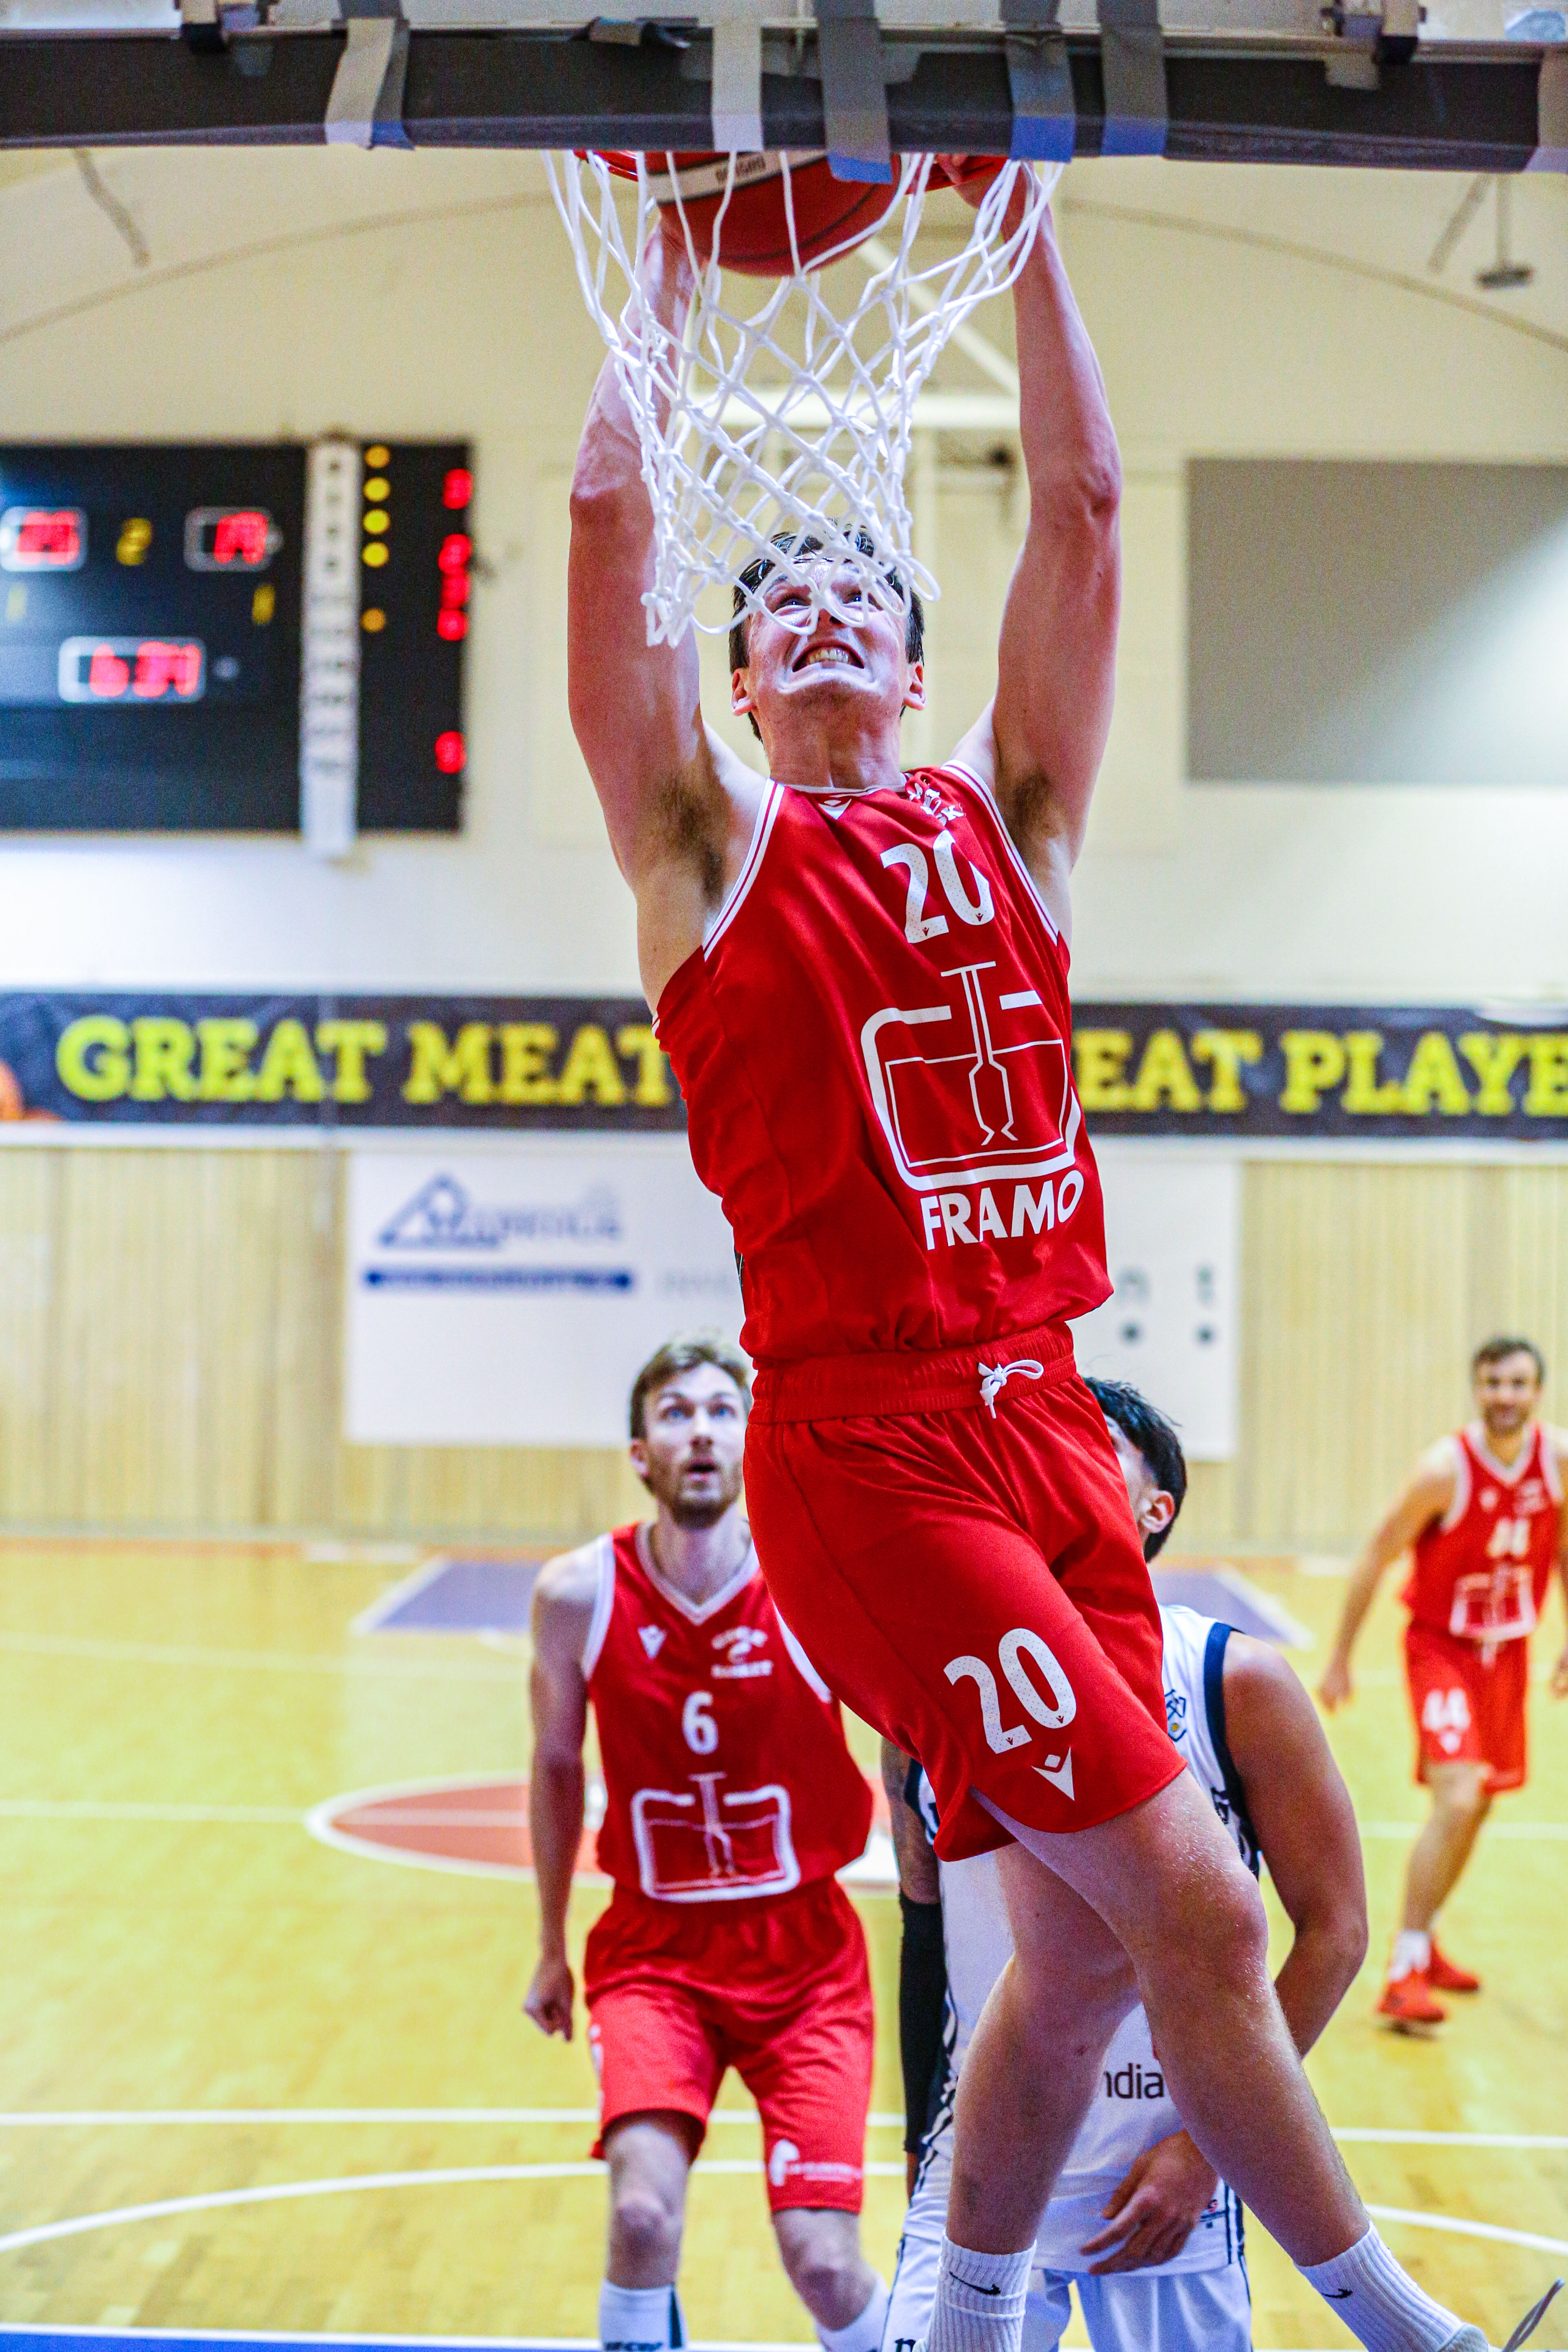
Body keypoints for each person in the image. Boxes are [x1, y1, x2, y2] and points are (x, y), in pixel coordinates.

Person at [566, 152, 1495, 2352]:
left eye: (857, 595)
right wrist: (679, 272)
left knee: (1080, 1953)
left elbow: (1082, 514)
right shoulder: (709, 846)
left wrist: (1030, 214)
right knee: (1194, 1896)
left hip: (1049, 1413)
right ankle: (1399, 2327)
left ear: (911, 641)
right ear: (746, 671)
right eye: (772, 607)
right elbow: (617, 538)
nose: (816, 617)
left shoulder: (1020, 822)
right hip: (870, 1450)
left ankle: (961, 2324)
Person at [882, 1377, 1368, 2352]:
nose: (1047, 1471)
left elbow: (1337, 1932)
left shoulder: (1238, 1683)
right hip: (976, 2179)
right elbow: (924, 1929)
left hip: (1165, 2190)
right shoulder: (927, 1688)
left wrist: (1207, 2152)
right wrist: (917, 2150)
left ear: (1156, 1511)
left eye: (1087, 1450)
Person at [524, 1334, 887, 2352]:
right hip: (654, 1952)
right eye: (676, 1413)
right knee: (641, 2218)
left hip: (806, 1954)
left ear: (750, 1442)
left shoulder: (816, 1583)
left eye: (723, 1411)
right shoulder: (576, 1595)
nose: (701, 1433)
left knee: (822, 2262)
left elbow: (909, 1749)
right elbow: (555, 1770)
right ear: (639, 1451)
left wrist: (946, 1937)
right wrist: (552, 1945)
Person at [1319, 1335, 1568, 2028]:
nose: (1505, 1397)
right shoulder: (1444, 1470)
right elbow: (1376, 1551)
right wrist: (1340, 1654)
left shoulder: (1559, 1461)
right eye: (1493, 1383)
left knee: (1479, 1803)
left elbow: (1564, 1550)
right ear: (1477, 1388)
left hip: (1509, 1652)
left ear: (1538, 1391)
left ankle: (1424, 1944)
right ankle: (1401, 1972)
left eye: (1518, 1384)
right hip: (1444, 1648)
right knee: (1457, 1796)